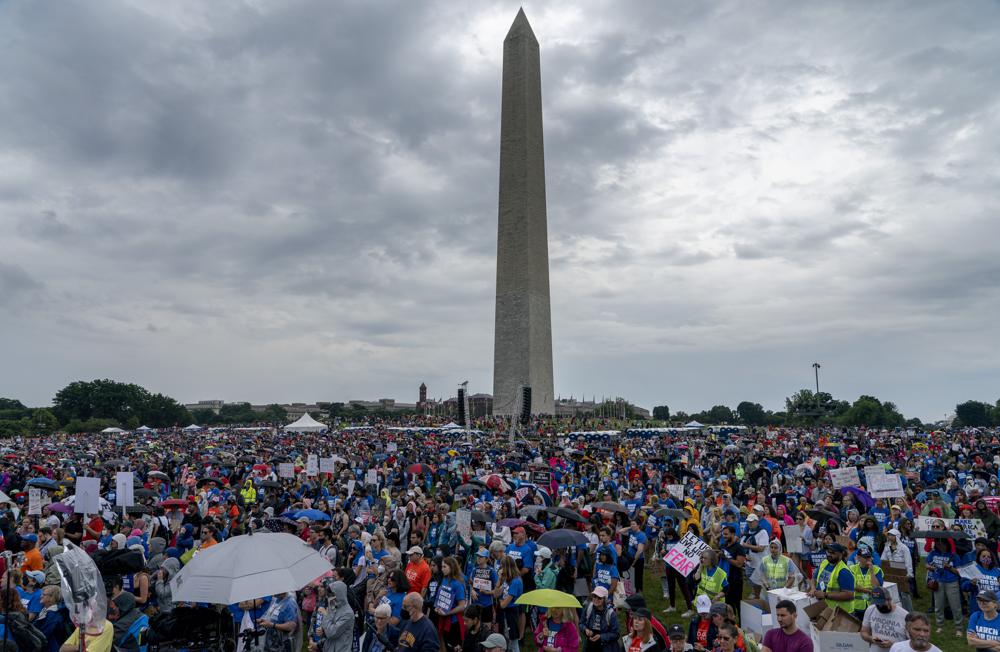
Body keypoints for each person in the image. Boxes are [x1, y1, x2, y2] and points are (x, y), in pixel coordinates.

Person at [808, 543, 855, 612]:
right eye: (828, 551)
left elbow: (849, 595)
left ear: (841, 554)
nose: (829, 554)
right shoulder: (824, 562)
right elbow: (814, 578)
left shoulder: (843, 571)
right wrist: (813, 588)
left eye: (832, 552)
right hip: (825, 608)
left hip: (840, 613)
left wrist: (825, 595)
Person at [861, 587, 908, 652]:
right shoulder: (870, 610)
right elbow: (863, 632)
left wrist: (893, 645)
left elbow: (912, 643)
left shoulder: (905, 616)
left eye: (882, 603)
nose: (879, 606)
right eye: (877, 603)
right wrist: (871, 639)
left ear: (889, 600)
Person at [580, 586, 620, 652]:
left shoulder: (611, 614)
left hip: (605, 647)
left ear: (605, 599)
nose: (596, 599)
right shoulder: (588, 608)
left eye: (599, 598)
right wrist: (585, 629)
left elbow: (616, 634)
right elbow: (581, 623)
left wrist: (601, 637)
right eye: (594, 596)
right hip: (589, 646)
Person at [851, 546, 884, 619]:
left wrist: (871, 571)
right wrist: (869, 591)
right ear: (858, 558)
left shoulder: (877, 570)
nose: (868, 559)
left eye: (869, 557)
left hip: (872, 606)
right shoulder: (852, 569)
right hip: (856, 607)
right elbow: (852, 586)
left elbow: (876, 587)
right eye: (865, 557)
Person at [35, 584, 70, 652]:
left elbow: (44, 634)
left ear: (52, 598)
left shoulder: (54, 615)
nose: (41, 596)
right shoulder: (46, 611)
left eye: (44, 595)